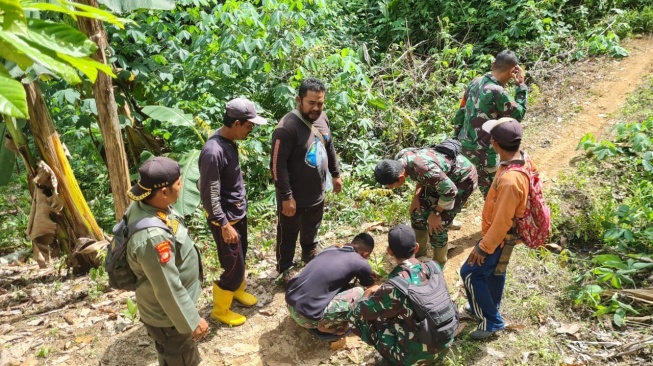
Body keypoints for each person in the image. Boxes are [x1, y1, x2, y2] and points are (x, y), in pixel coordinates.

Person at [125, 156, 208, 366]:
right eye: (179, 183)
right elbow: (168, 288)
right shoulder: (153, 237)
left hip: (171, 311)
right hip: (169, 317)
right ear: (163, 192)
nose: (182, 187)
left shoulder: (149, 205)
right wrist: (192, 321)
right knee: (180, 357)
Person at [460, 117, 536, 339]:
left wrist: (483, 247)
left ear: (495, 143)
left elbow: (502, 221)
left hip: (501, 236)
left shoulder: (510, 181)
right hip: (505, 235)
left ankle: (491, 321)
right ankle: (486, 306)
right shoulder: (520, 160)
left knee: (470, 273)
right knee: (494, 272)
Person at [198, 98, 267, 326]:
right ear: (236, 123)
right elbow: (210, 194)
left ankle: (236, 290)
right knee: (233, 265)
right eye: (249, 126)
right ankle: (220, 309)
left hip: (237, 214)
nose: (251, 130)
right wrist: (224, 224)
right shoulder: (213, 151)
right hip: (225, 220)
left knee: (241, 257)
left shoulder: (228, 142)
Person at [270, 77, 343, 281]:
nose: (316, 108)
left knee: (312, 225)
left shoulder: (322, 119)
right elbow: (277, 165)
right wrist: (286, 196)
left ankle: (309, 251)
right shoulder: (286, 128)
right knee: (288, 232)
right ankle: (285, 267)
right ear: (299, 100)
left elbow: (329, 147)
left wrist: (336, 174)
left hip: (316, 191)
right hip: (293, 194)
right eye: (311, 103)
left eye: (320, 103)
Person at [352, 224, 454, 365]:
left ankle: (391, 359)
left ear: (389, 251)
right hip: (445, 343)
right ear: (416, 247)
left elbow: (360, 312)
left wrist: (367, 293)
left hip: (414, 359)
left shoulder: (394, 287)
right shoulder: (434, 267)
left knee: (364, 317)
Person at [374, 140, 477, 267]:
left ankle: (439, 264)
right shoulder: (401, 159)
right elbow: (421, 176)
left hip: (462, 179)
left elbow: (450, 191)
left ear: (400, 178)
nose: (390, 188)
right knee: (417, 214)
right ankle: (418, 253)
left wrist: (437, 213)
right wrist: (416, 197)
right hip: (440, 179)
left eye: (390, 185)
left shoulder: (424, 168)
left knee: (437, 226)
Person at [452, 49, 527, 197]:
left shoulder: (475, 82)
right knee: (495, 196)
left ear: (493, 64)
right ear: (513, 71)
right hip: (486, 155)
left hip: (464, 148)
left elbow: (461, 112)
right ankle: (496, 219)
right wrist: (521, 87)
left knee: (459, 192)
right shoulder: (498, 92)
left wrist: (456, 138)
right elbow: (518, 114)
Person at [285, 233, 376, 337]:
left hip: (290, 303)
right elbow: (369, 284)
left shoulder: (330, 249)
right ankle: (325, 325)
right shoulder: (361, 262)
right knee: (359, 292)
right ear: (365, 254)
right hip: (308, 319)